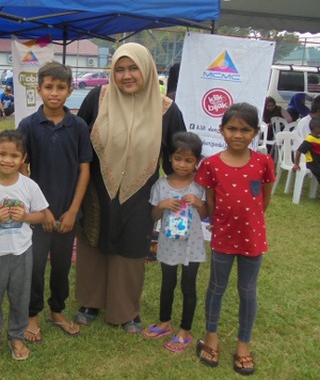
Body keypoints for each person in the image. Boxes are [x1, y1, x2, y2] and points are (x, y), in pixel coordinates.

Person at [74, 43, 186, 333]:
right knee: (93, 240)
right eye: (120, 69)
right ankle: (90, 302)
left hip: (141, 191)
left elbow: (178, 157)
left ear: (147, 69)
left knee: (131, 246)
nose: (126, 76)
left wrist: (182, 192)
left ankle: (125, 310)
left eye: (134, 68)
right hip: (97, 186)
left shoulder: (167, 110)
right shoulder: (97, 98)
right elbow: (77, 139)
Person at [194, 102, 275, 376]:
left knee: (247, 290)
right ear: (221, 130)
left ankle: (243, 344)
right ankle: (211, 336)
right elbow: (211, 203)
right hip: (223, 238)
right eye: (231, 128)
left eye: (245, 129)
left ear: (255, 132)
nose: (237, 135)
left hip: (252, 239)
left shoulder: (264, 162)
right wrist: (218, 223)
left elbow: (264, 199)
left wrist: (250, 223)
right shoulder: (211, 165)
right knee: (216, 287)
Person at [17, 61, 92, 342]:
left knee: (61, 266)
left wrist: (73, 211)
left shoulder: (78, 126)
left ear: (70, 91)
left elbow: (85, 170)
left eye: (61, 87)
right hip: (38, 215)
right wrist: (41, 210)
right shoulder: (28, 125)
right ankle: (31, 314)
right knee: (35, 266)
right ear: (39, 90)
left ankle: (56, 310)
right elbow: (22, 169)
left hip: (67, 213)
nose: (54, 93)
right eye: (49, 87)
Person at [0, 130, 49, 363]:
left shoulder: (29, 186)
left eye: (14, 156)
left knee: (20, 297)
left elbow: (42, 215)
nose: (8, 160)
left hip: (22, 251)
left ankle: (17, 336)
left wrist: (25, 217)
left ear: (23, 159)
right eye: (2, 154)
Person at [141, 132, 207, 353]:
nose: (182, 164)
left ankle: (185, 330)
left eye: (189, 160)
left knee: (188, 286)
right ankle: (164, 322)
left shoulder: (199, 186)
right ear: (169, 158)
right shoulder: (161, 185)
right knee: (167, 283)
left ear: (197, 161)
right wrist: (162, 205)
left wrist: (198, 203)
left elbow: (206, 213)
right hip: (169, 243)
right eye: (178, 159)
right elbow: (152, 215)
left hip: (192, 245)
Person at [293, 117, 320, 183]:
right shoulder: (309, 140)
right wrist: (296, 164)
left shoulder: (317, 138)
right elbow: (299, 151)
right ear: (316, 128)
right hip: (313, 163)